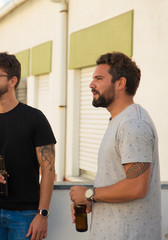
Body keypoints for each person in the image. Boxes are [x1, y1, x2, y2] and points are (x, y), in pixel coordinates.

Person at [0, 52, 56, 240]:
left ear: (13, 80)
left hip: (25, 213)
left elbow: (49, 171)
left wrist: (42, 214)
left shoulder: (35, 119)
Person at [69, 52, 161, 239]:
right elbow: (118, 180)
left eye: (99, 78)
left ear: (120, 83)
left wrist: (88, 194)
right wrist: (92, 199)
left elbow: (136, 187)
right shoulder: (120, 120)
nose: (91, 84)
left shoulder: (133, 124)